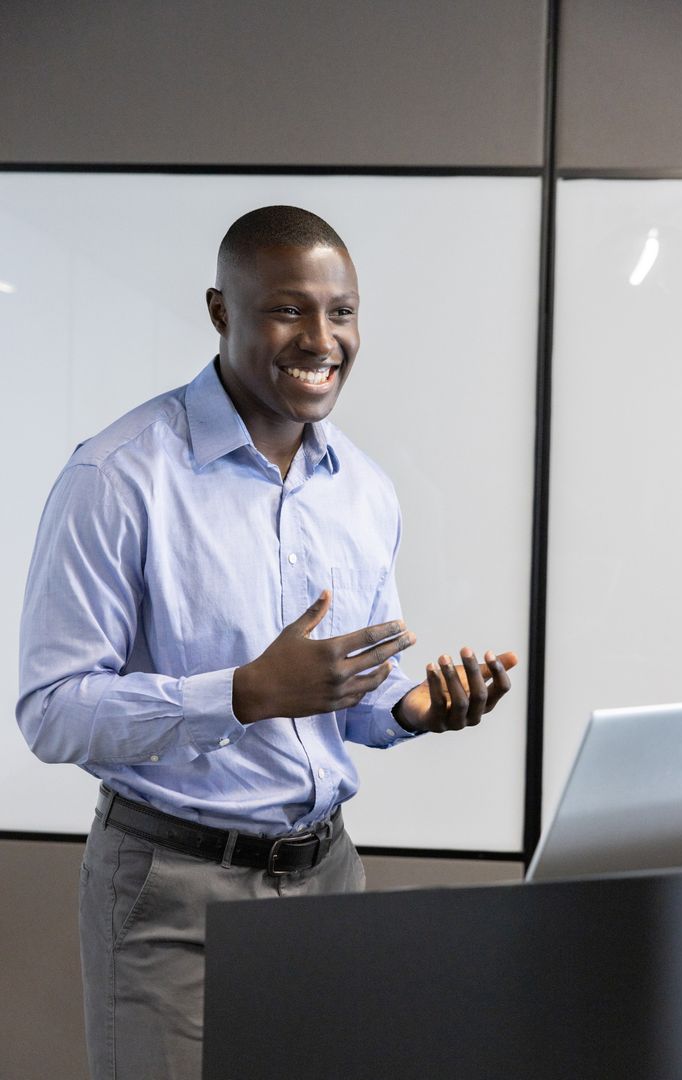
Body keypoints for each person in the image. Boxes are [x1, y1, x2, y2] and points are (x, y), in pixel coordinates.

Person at [17, 205, 517, 1080]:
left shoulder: (362, 489)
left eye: (343, 311)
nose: (321, 337)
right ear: (221, 311)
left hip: (327, 878)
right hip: (170, 891)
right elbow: (53, 714)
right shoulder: (117, 476)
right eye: (289, 309)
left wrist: (414, 707)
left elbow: (353, 692)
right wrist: (244, 693)